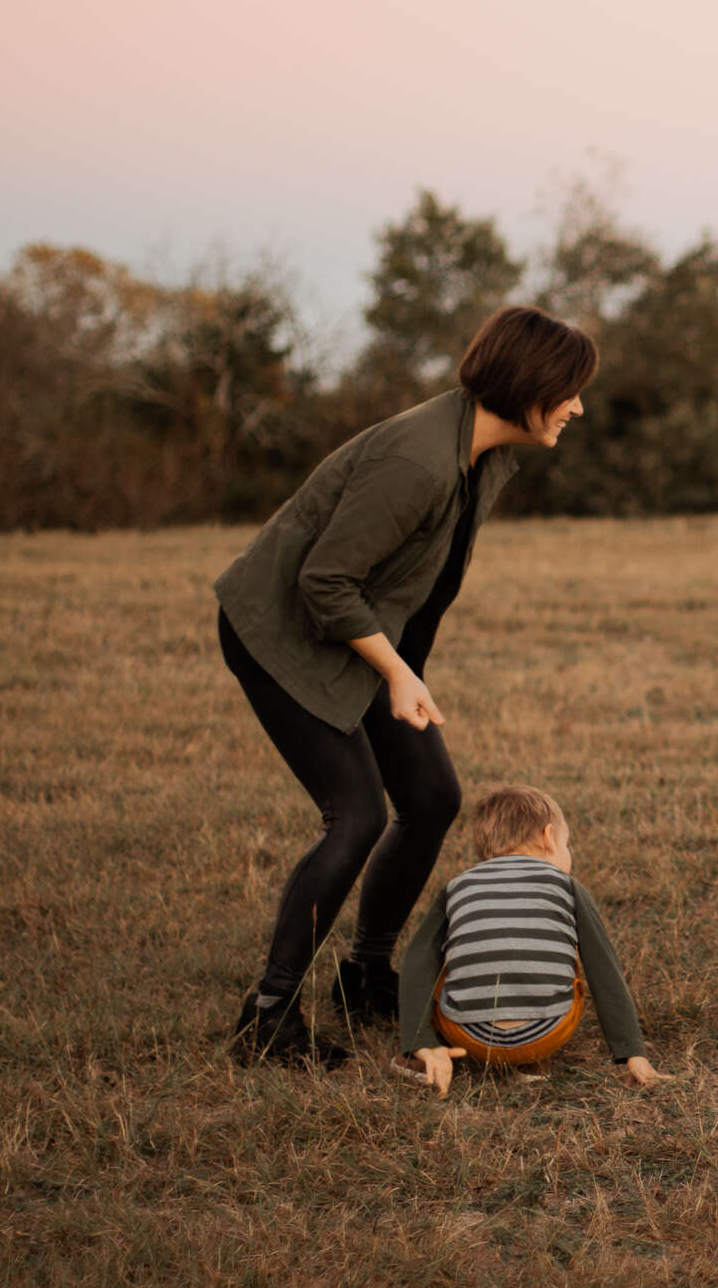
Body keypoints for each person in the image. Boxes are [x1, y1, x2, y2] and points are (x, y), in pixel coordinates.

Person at [217, 305, 597, 1067]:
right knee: (355, 814)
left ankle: (363, 974)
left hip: (361, 639)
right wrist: (392, 670)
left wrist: (402, 671)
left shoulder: (481, 457)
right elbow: (323, 579)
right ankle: (268, 1014)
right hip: (281, 631)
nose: (579, 406)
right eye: (570, 389)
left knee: (430, 798)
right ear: (529, 385)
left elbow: (415, 581)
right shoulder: (420, 459)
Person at [393, 785, 669, 1096]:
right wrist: (632, 1052)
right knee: (567, 956)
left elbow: (418, 961)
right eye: (567, 843)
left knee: (445, 960)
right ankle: (530, 1061)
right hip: (547, 1032)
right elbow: (605, 970)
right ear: (548, 836)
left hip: (468, 1035)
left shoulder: (458, 886)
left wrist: (419, 1041)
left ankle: (421, 1057)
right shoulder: (566, 885)